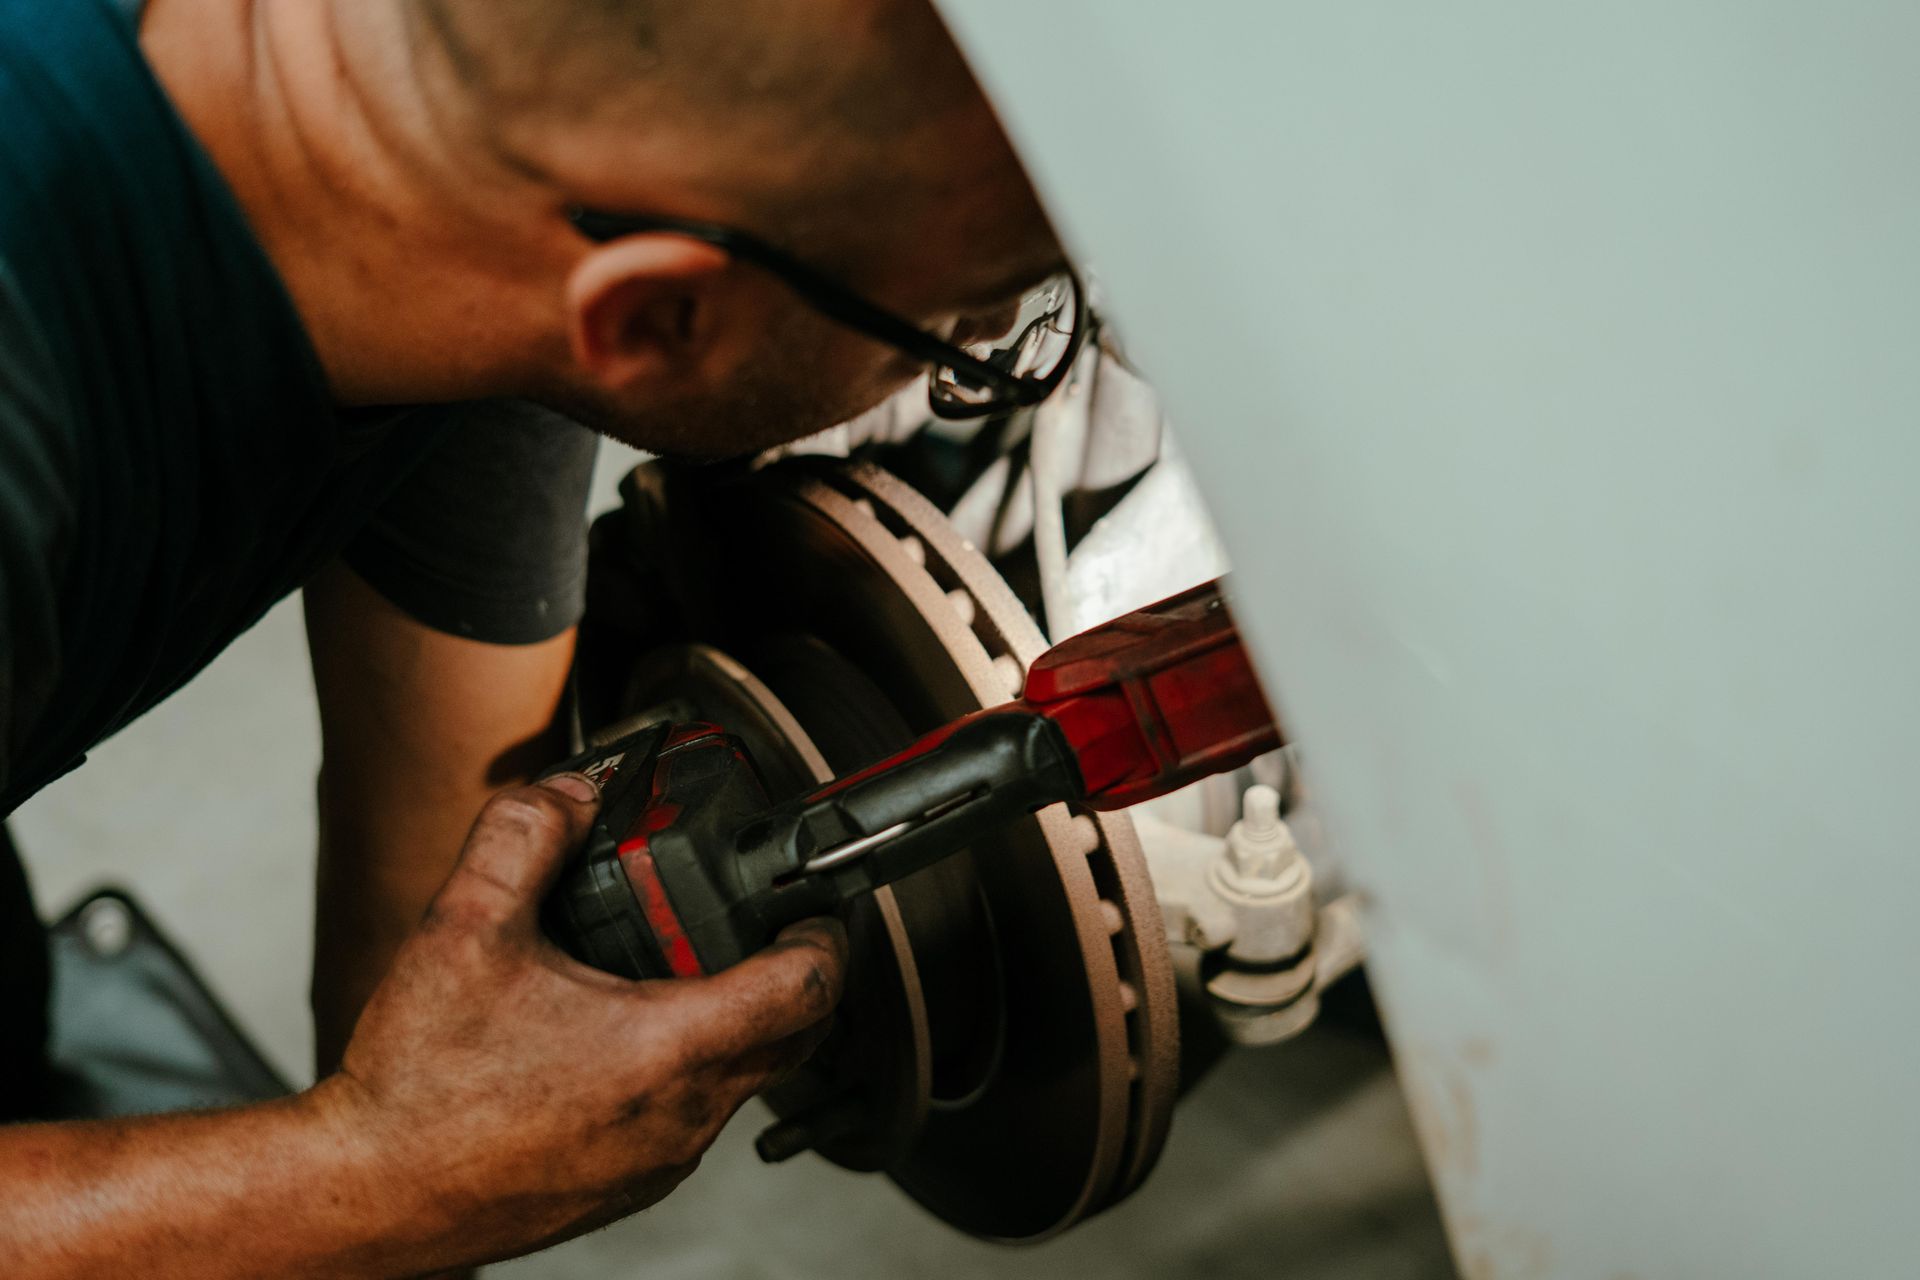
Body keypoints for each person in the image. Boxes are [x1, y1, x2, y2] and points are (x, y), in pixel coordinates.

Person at [0, 0, 1072, 1271]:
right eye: (960, 326)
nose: (974, 349)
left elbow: (421, 963)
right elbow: (405, 1147)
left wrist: (412, 1156)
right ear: (654, 320)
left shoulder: (455, 184)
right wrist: (379, 1179)